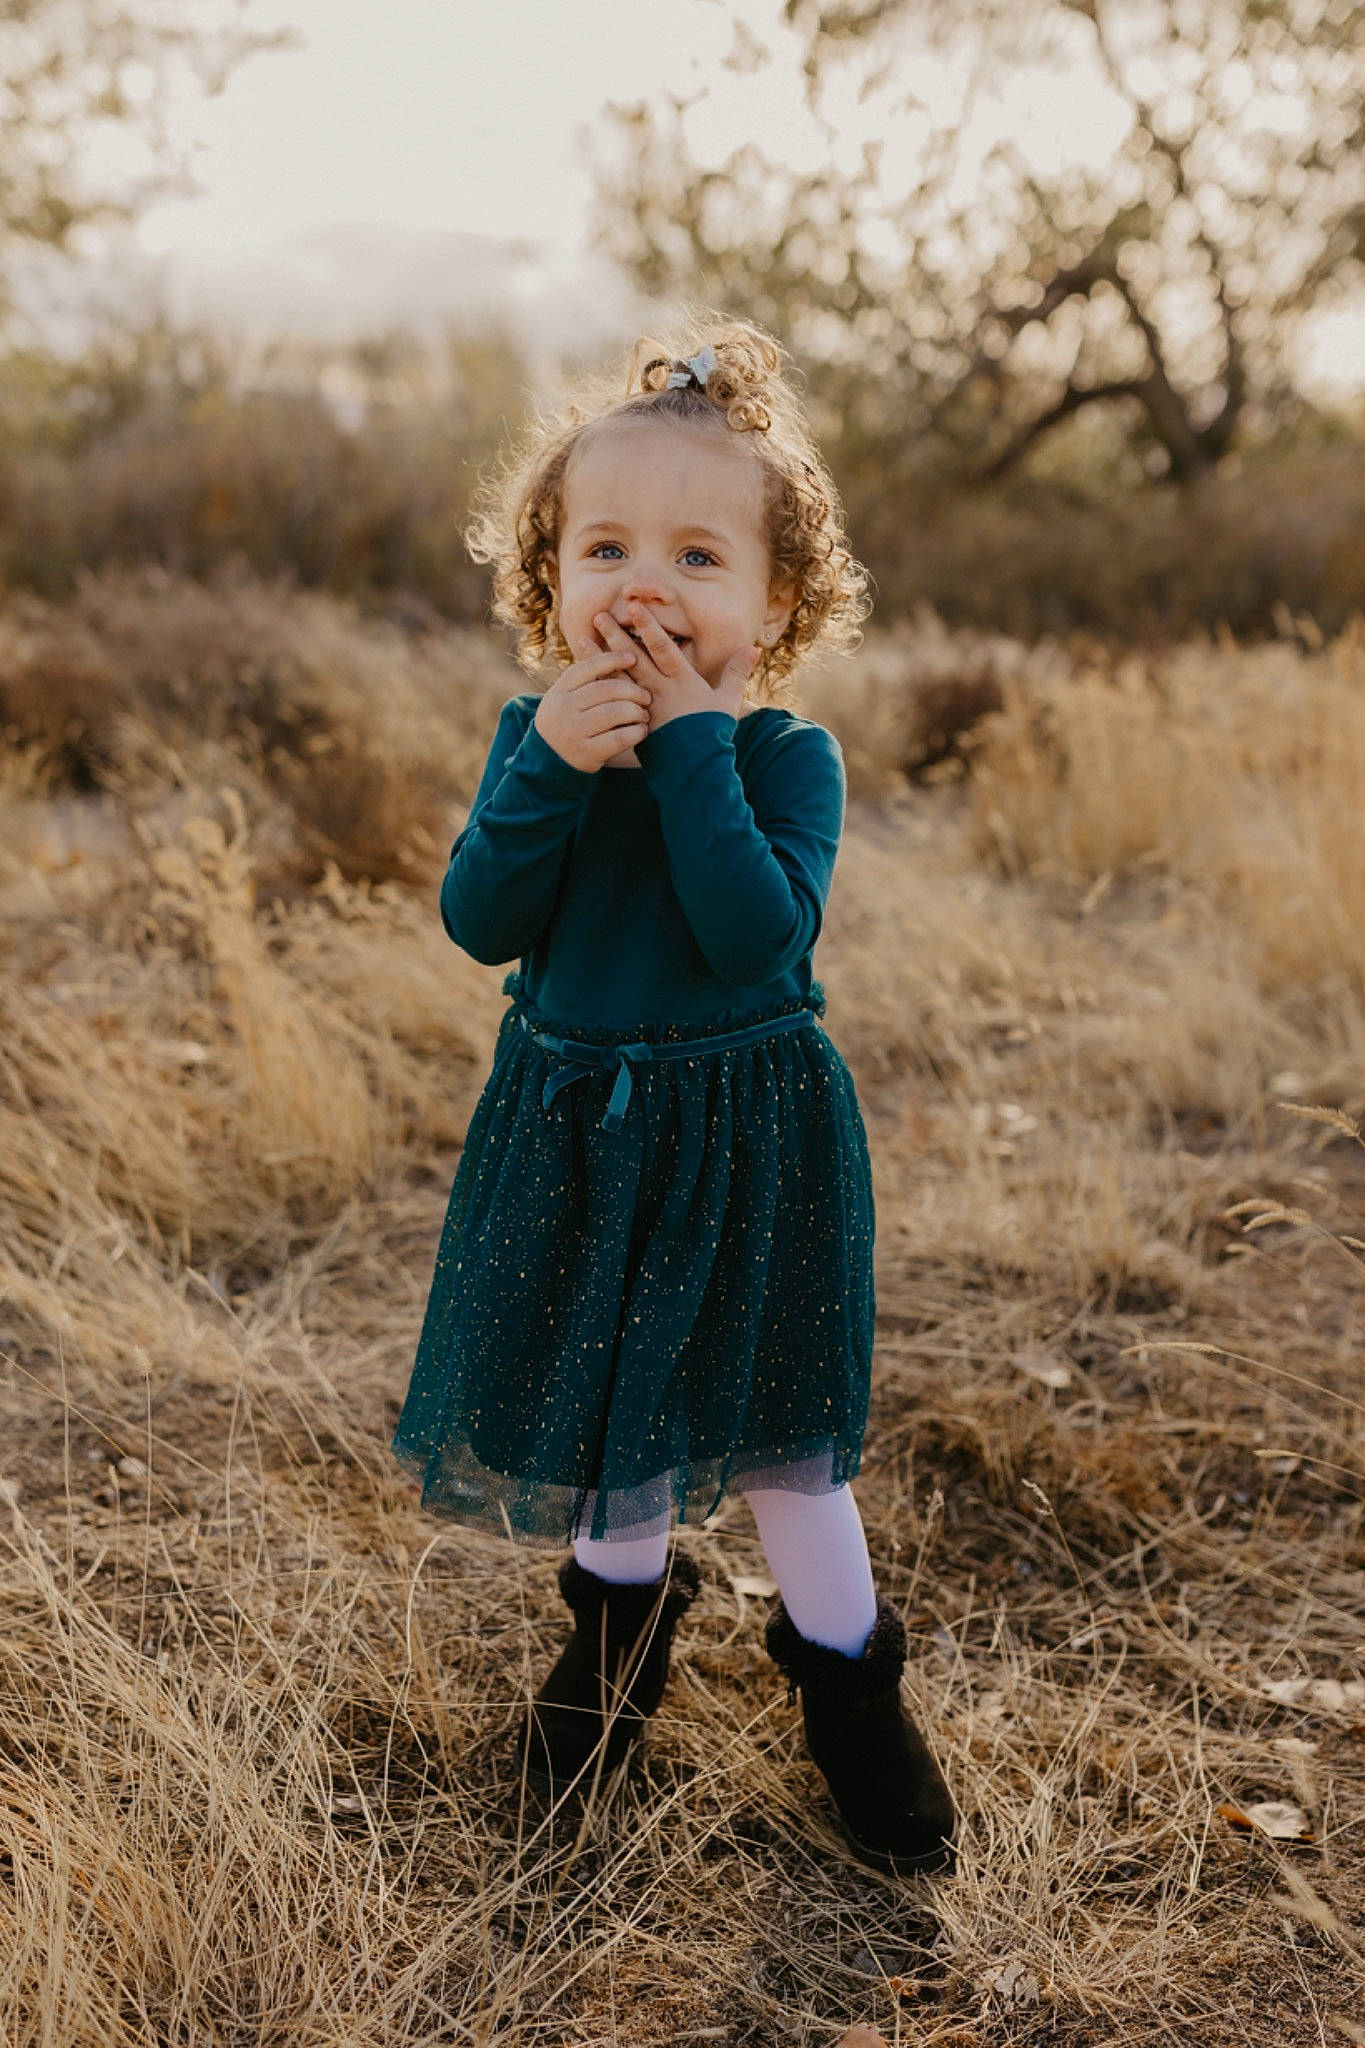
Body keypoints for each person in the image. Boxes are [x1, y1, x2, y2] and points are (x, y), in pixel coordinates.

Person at [389, 315, 954, 1877]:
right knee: (608, 1416)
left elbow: (754, 933)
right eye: (607, 550)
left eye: (697, 559)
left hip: (747, 1140)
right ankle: (614, 1646)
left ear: (773, 605)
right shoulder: (538, 742)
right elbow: (480, 920)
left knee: (783, 1448)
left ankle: (848, 1692)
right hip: (580, 1134)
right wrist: (549, 774)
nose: (644, 588)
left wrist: (695, 746)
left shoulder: (782, 761)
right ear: (550, 581)